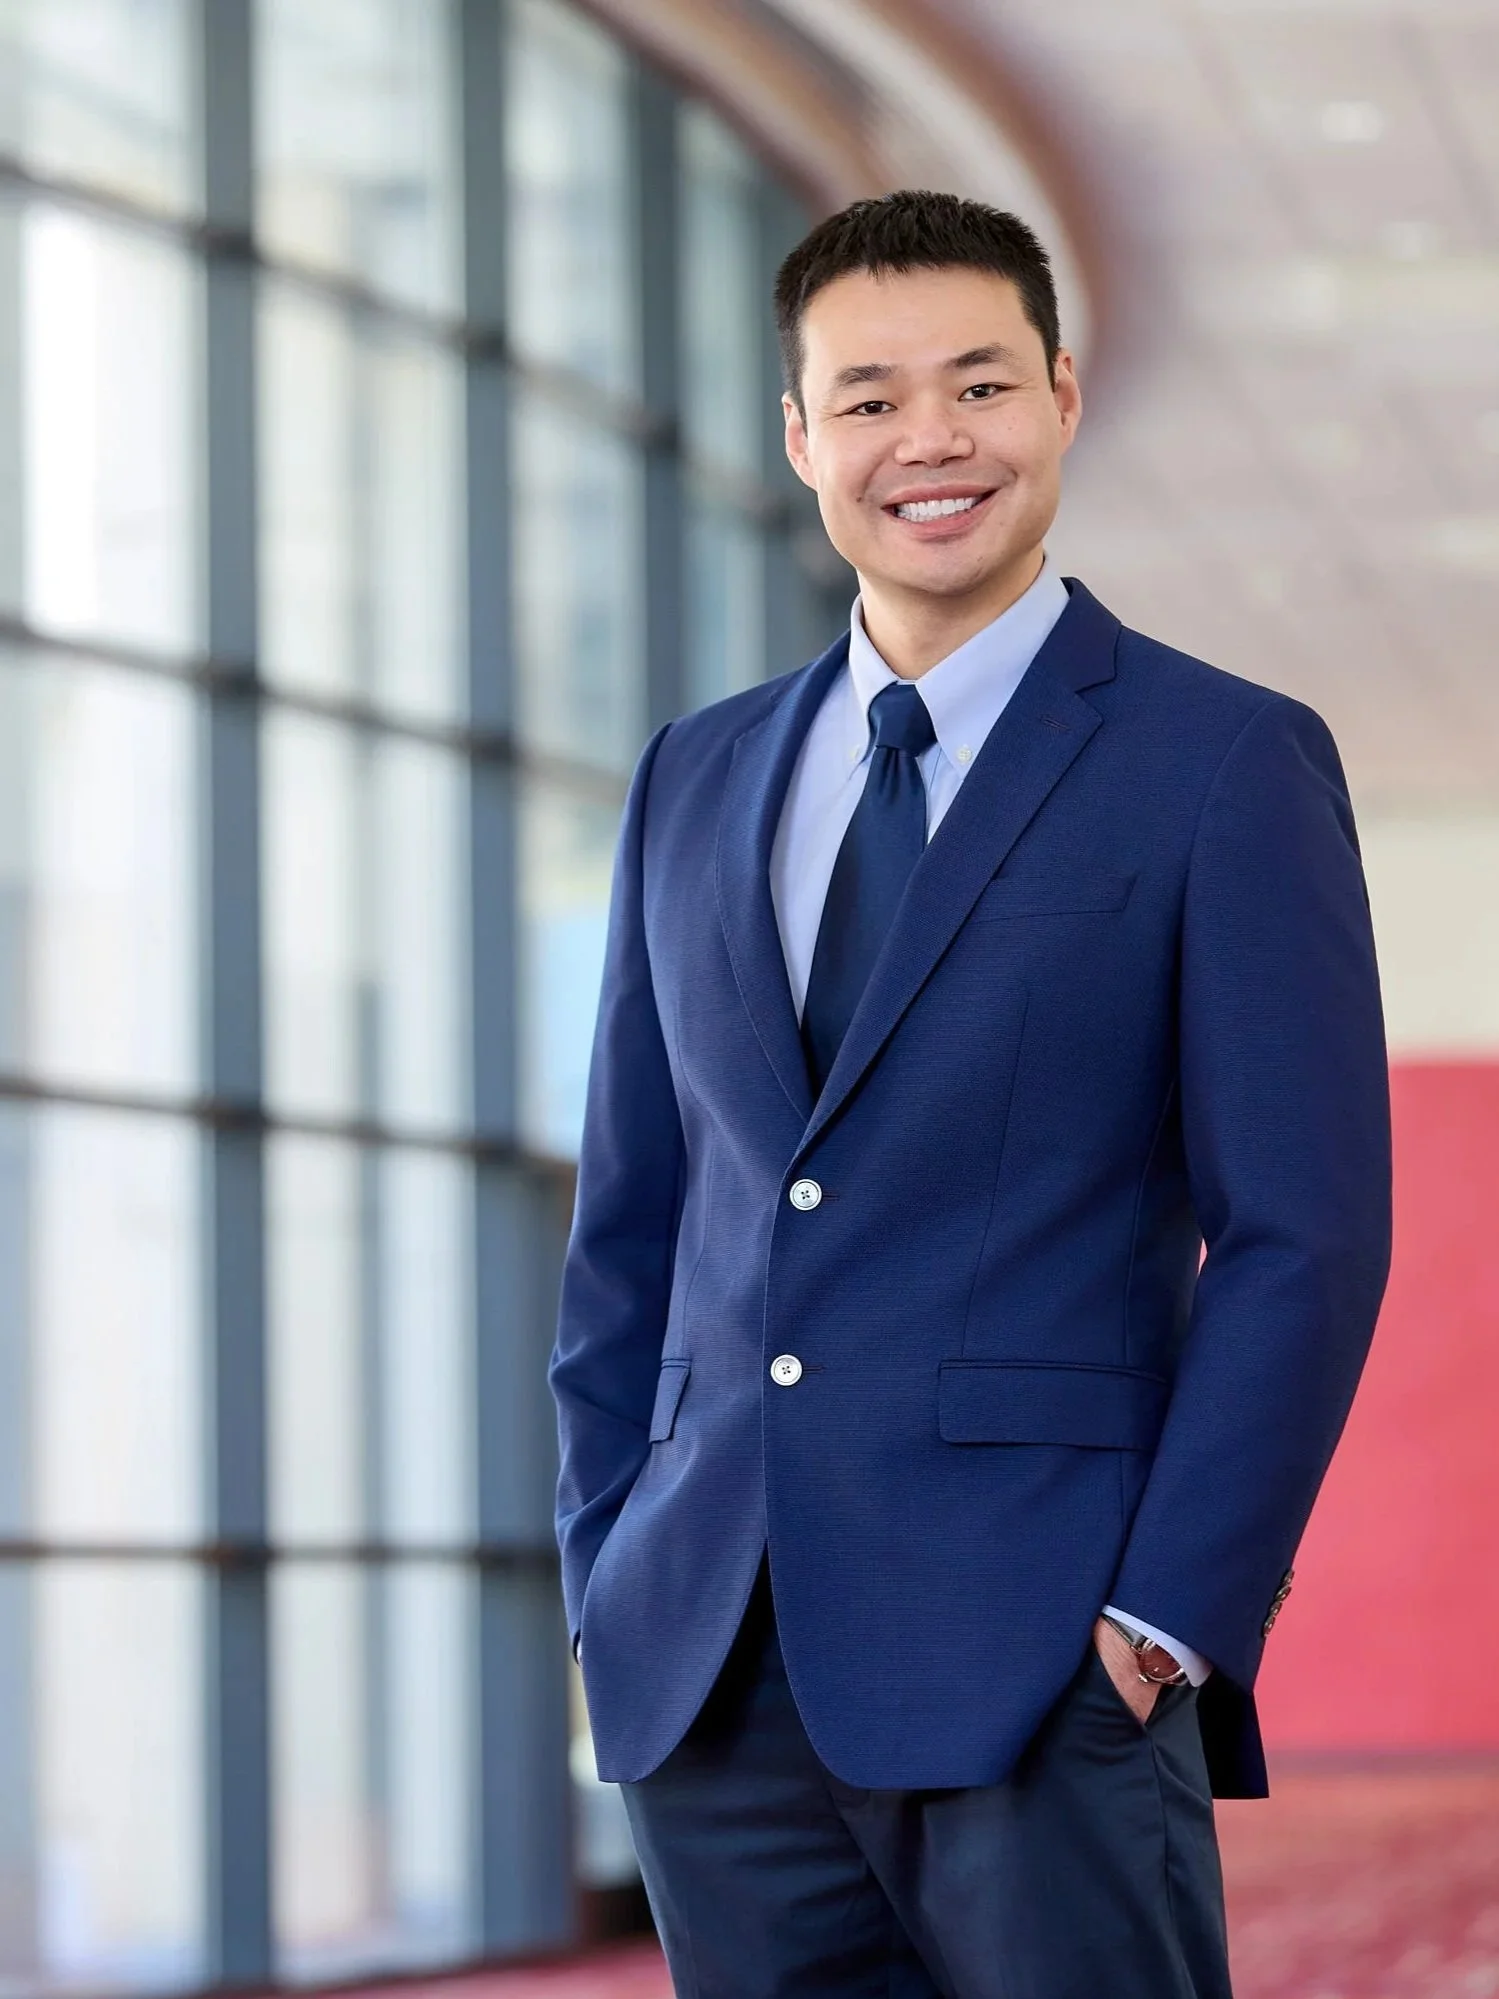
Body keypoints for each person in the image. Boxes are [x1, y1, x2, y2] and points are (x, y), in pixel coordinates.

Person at [549, 190, 1392, 1998]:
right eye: (866, 399)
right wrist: (606, 1553)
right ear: (797, 437)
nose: (927, 440)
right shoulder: (695, 777)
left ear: (1063, 400)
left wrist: (1169, 1612)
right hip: (711, 1655)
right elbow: (635, 1212)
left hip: (1045, 1656)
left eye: (978, 386)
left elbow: (1300, 1238)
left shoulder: (1221, 761)